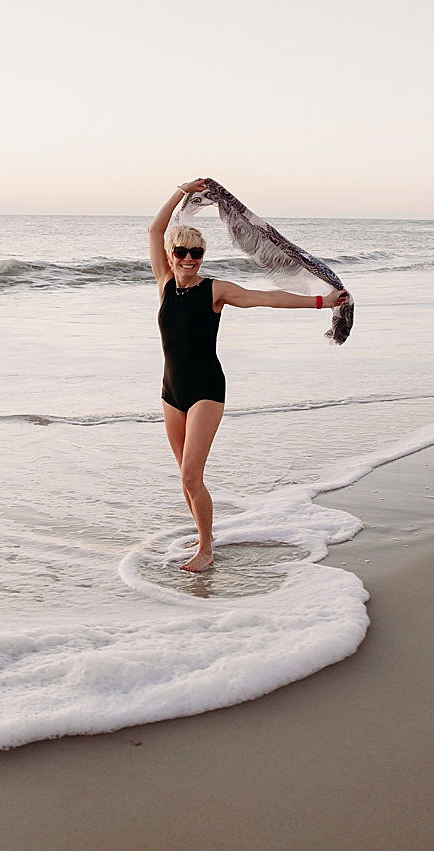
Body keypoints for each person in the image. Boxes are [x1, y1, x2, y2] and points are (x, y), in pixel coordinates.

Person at [148, 178, 351, 572]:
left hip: (207, 389)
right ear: (171, 255)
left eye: (196, 252)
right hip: (170, 392)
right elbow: (155, 228)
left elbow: (268, 298)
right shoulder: (164, 285)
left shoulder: (215, 290)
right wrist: (182, 190)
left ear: (201, 256)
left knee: (192, 476)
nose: (189, 258)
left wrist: (320, 302)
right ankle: (203, 534)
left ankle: (206, 549)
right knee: (185, 478)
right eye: (182, 252)